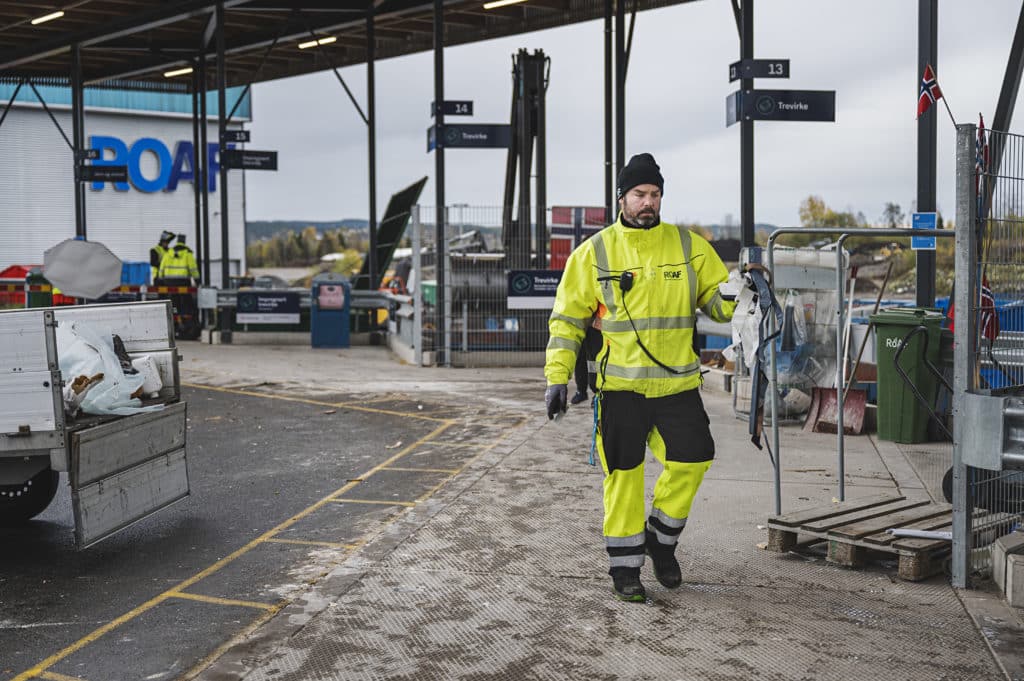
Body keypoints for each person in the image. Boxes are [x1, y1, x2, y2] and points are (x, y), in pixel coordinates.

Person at [544, 153, 737, 602]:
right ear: (622, 199)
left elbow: (719, 304)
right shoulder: (594, 253)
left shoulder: (689, 247)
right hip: (621, 390)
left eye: (654, 194)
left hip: (677, 386)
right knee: (624, 477)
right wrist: (556, 377)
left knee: (693, 459)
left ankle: (661, 542)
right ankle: (625, 571)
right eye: (639, 195)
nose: (648, 202)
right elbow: (567, 321)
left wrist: (743, 292)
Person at [158, 234, 201, 339]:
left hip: (169, 283)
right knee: (186, 303)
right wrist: (198, 281)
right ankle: (186, 324)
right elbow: (193, 269)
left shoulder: (169, 252)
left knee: (174, 303)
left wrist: (161, 280)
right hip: (183, 282)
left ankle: (175, 323)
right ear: (184, 242)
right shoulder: (187, 254)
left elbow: (161, 268)